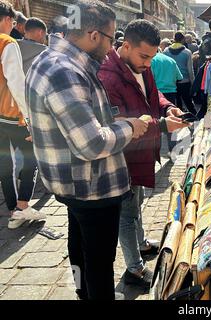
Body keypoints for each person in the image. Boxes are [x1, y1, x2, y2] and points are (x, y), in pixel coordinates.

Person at [26, 0, 149, 300]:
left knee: (80, 245)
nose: (111, 48)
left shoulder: (50, 60)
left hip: (73, 183)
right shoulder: (64, 71)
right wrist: (131, 127)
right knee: (98, 262)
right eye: (111, 38)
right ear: (94, 35)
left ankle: (83, 293)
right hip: (91, 185)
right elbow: (91, 143)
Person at [98, 19, 189, 288]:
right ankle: (134, 269)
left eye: (152, 57)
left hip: (141, 153)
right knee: (126, 213)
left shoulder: (142, 66)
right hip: (122, 157)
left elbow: (154, 94)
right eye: (144, 56)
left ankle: (140, 244)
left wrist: (168, 107)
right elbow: (121, 124)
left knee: (136, 204)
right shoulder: (108, 76)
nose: (148, 63)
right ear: (125, 46)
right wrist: (161, 125)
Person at [0, 1, 45, 230]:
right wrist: (30, 119)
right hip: (12, 115)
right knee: (31, 158)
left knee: (4, 164)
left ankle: (13, 210)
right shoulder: (7, 43)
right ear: (8, 20)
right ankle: (22, 206)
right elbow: (17, 83)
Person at [151, 51, 184, 154]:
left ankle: (156, 152)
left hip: (156, 93)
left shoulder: (151, 60)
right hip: (171, 94)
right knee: (172, 122)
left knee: (156, 123)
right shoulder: (171, 61)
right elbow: (180, 77)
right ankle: (173, 150)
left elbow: (149, 79)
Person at [164, 31, 196, 116]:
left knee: (176, 104)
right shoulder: (187, 52)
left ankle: (178, 121)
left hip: (172, 82)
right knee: (188, 102)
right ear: (183, 40)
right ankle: (195, 118)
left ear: (174, 39)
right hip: (185, 82)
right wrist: (193, 83)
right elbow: (190, 69)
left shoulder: (166, 51)